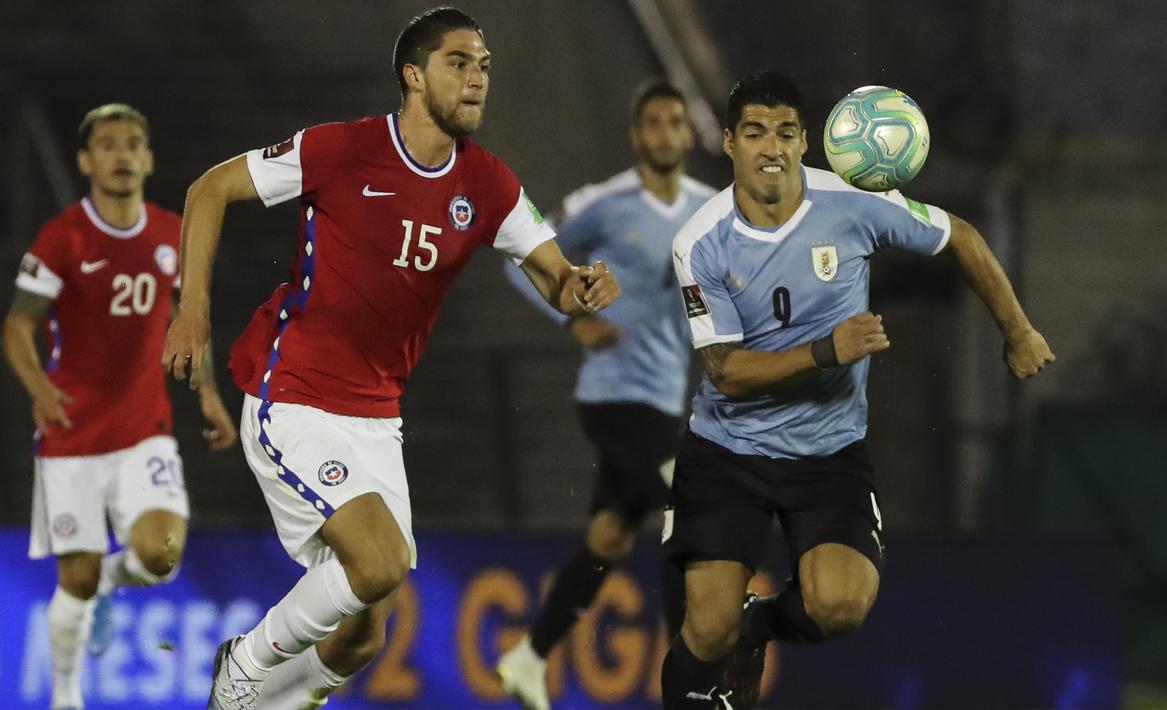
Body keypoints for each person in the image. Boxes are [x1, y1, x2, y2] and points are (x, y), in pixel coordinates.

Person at [159, 7, 621, 710]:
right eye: (459, 63)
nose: (476, 80)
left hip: (377, 415)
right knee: (376, 564)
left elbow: (555, 274)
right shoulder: (341, 150)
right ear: (413, 75)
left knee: (362, 636)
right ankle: (243, 667)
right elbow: (209, 188)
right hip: (295, 394)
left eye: (485, 66)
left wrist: (581, 286)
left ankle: (265, 705)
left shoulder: (488, 184)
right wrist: (192, 310)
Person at [659, 72, 1055, 709]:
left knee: (841, 608)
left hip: (829, 455)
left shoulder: (851, 202)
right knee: (707, 629)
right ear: (729, 142)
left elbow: (963, 238)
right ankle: (726, 640)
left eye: (786, 133)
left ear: (806, 142)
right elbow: (725, 371)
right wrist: (826, 351)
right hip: (727, 453)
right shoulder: (700, 241)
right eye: (755, 133)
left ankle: (758, 626)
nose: (772, 148)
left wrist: (1018, 330)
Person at [1, 103, 237, 710]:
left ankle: (115, 577)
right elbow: (17, 326)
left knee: (161, 556)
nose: (123, 154)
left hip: (143, 431)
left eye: (134, 143)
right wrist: (39, 387)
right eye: (108, 144)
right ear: (85, 161)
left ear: (149, 158)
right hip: (71, 435)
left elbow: (190, 323)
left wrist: (208, 392)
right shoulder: (65, 237)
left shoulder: (170, 234)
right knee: (73, 581)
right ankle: (65, 697)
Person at [495, 78, 713, 710]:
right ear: (636, 134)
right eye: (653, 123)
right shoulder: (606, 202)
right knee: (686, 510)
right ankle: (690, 686)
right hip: (613, 397)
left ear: (687, 135)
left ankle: (530, 656)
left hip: (669, 397)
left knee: (610, 538)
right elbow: (520, 258)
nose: (665, 134)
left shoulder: (709, 209)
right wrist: (572, 318)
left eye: (676, 123)